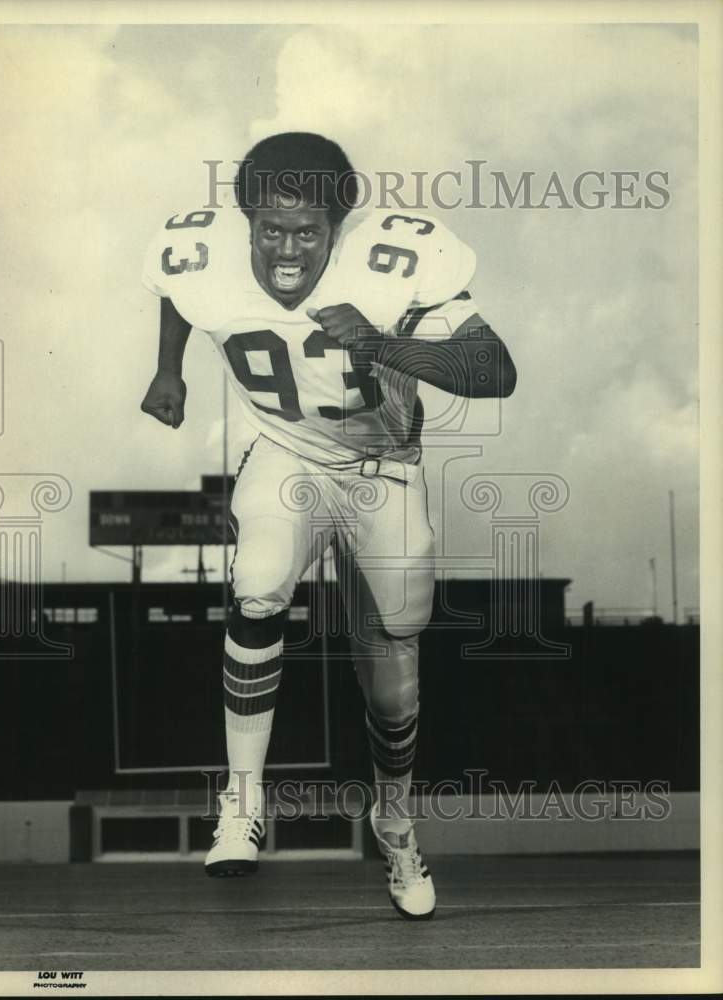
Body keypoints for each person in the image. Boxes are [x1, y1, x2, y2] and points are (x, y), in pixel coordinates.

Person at [140, 132, 516, 921]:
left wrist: (382, 344)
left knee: (392, 685)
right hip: (286, 452)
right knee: (259, 588)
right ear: (241, 220)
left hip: (383, 471)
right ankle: (241, 806)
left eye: (306, 232)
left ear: (338, 228)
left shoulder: (394, 263)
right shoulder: (195, 251)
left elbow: (495, 370)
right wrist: (167, 369)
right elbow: (179, 296)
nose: (285, 249)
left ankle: (395, 821)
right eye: (268, 231)